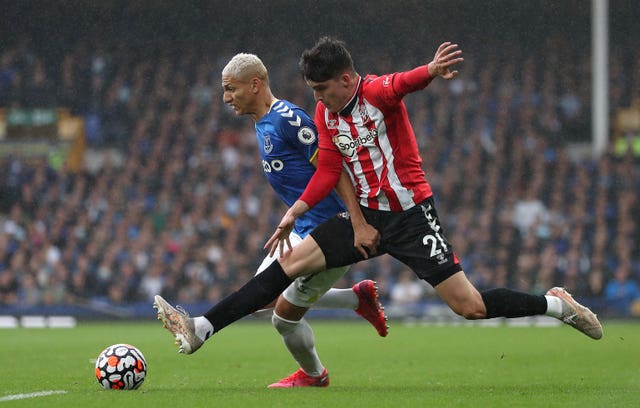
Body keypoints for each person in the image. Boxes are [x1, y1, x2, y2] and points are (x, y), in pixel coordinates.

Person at [154, 38, 602, 385]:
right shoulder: (325, 116)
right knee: (285, 269)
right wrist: (301, 213)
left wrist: (431, 69)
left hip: (411, 217)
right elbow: (329, 169)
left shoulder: (374, 91)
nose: (319, 100)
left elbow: (406, 81)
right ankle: (201, 328)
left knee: (471, 307)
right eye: (313, 91)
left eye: (324, 89)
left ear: (347, 79)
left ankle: (555, 305)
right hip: (363, 216)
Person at [154, 53, 387, 388]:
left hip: (331, 232)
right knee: (259, 299)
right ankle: (355, 299)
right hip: (305, 227)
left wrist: (355, 220)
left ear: (255, 84)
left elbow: (332, 168)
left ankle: (313, 374)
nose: (226, 98)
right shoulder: (263, 123)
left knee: (283, 319)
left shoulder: (287, 119)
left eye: (230, 89)